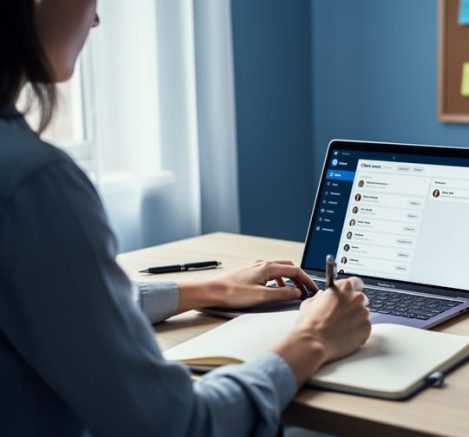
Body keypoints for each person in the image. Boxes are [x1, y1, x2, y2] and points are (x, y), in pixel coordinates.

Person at [0, 1, 371, 436]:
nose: (96, 18)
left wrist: (206, 289)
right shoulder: (35, 183)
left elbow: (61, 304)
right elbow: (178, 426)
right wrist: (313, 338)